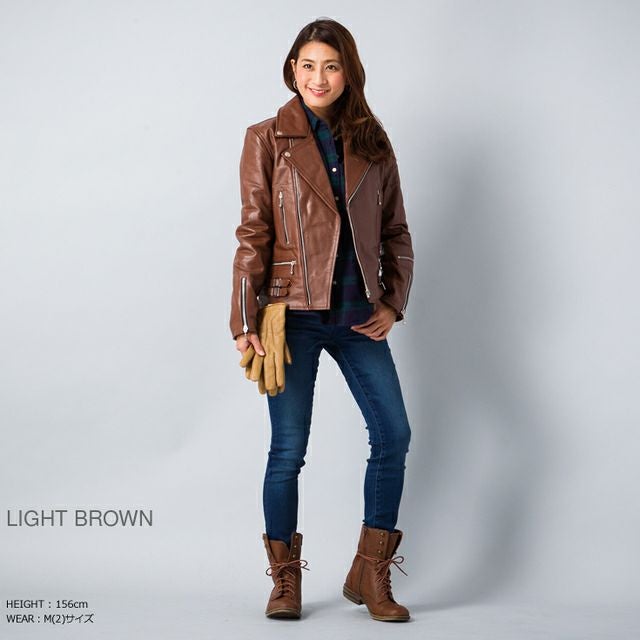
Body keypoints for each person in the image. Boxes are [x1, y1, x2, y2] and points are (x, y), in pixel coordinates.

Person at [229, 17, 414, 622]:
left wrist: (392, 302)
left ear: (348, 73)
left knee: (393, 436)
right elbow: (253, 232)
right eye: (307, 65)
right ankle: (284, 581)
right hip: (291, 317)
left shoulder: (372, 140)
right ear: (292, 70)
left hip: (359, 316)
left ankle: (370, 572)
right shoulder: (266, 138)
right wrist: (244, 317)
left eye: (330, 66)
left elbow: (395, 230)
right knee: (287, 450)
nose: (318, 77)